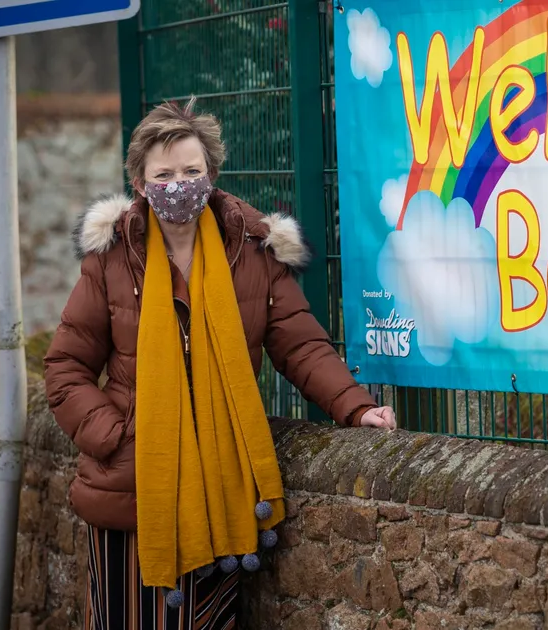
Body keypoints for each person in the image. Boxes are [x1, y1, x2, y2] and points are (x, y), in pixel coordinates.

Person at [44, 98, 396, 629]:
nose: (178, 184)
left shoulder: (253, 252)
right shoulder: (114, 257)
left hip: (218, 485)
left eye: (191, 171)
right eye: (164, 174)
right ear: (139, 183)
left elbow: (301, 347)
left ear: (211, 175)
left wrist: (356, 408)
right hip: (131, 487)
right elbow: (65, 368)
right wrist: (115, 435)